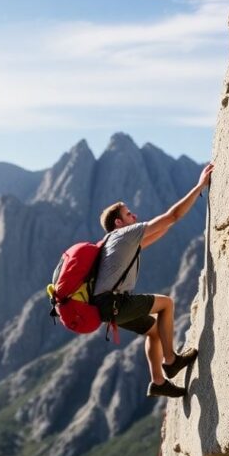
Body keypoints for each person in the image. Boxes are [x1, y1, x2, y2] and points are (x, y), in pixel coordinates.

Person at [92, 163, 213, 398]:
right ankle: (171, 361)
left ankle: (158, 382)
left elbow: (164, 228)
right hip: (114, 304)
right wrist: (200, 187)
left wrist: (168, 220)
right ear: (118, 223)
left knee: (155, 331)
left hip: (105, 307)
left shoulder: (114, 243)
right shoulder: (124, 235)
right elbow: (173, 216)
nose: (134, 216)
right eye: (128, 214)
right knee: (166, 303)